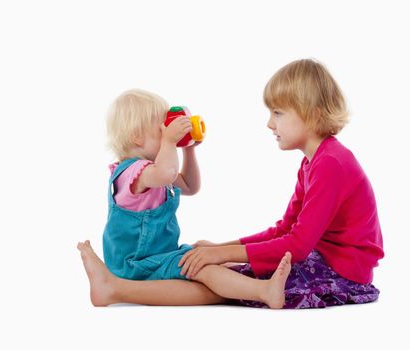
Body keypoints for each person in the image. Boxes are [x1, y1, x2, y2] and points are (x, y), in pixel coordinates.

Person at [78, 58, 384, 309]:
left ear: (313, 114)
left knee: (229, 285)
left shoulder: (330, 163)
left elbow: (299, 244)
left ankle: (116, 289)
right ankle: (116, 288)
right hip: (325, 258)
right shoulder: (314, 162)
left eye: (278, 113)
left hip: (343, 271)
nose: (269, 123)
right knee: (221, 274)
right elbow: (284, 229)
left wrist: (220, 254)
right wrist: (221, 248)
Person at [78, 89, 292, 309]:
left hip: (159, 256)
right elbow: (167, 174)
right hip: (135, 263)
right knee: (202, 268)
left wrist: (188, 150)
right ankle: (263, 291)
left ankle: (256, 282)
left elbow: (191, 186)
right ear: (137, 136)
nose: (169, 134)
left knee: (209, 259)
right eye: (163, 129)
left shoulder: (157, 170)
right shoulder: (135, 172)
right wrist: (170, 142)